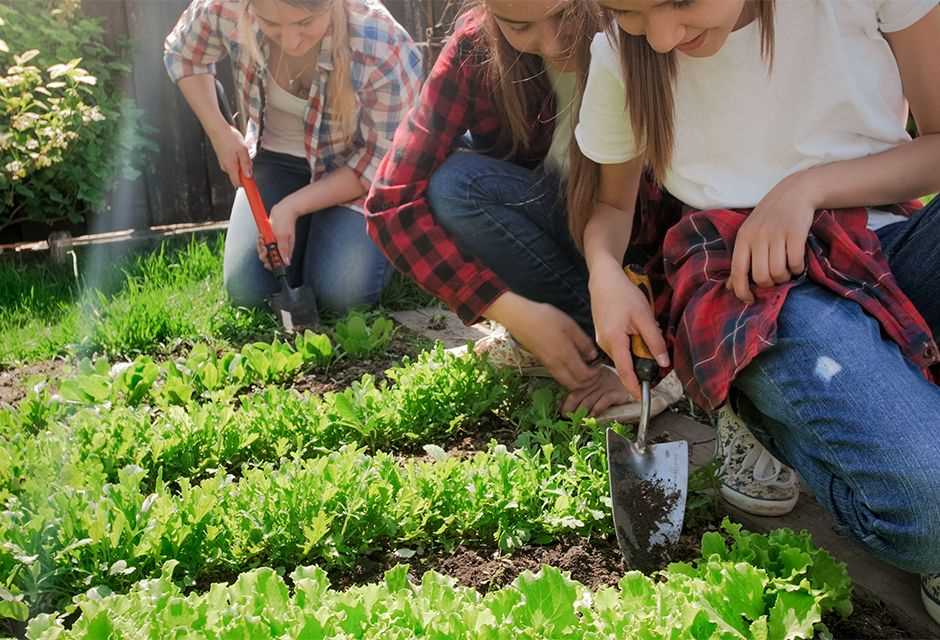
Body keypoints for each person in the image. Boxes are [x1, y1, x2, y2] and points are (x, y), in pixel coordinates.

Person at [573, 0, 940, 623]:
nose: (661, 37)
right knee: (927, 510)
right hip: (750, 286)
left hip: (885, 244)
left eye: (681, 2)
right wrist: (604, 273)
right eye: (630, 12)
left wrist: (807, 188)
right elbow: (611, 208)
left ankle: (846, 405)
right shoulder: (620, 54)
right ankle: (758, 406)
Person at [365, 0, 671, 419]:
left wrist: (661, 361)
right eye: (519, 25)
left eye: (564, 16)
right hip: (568, 236)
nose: (551, 43)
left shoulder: (639, 27)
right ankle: (566, 334)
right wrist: (510, 310)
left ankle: (634, 344)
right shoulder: (476, 46)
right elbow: (389, 201)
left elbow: (691, 211)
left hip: (639, 258)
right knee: (456, 183)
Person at [165, 0, 422, 316]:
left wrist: (291, 207)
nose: (289, 41)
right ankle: (315, 241)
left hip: (354, 176)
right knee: (249, 292)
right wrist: (219, 132)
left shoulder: (380, 42)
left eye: (304, 24)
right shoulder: (228, 7)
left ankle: (384, 241)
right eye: (271, 25)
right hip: (276, 161)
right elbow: (183, 54)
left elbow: (379, 162)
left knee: (341, 295)